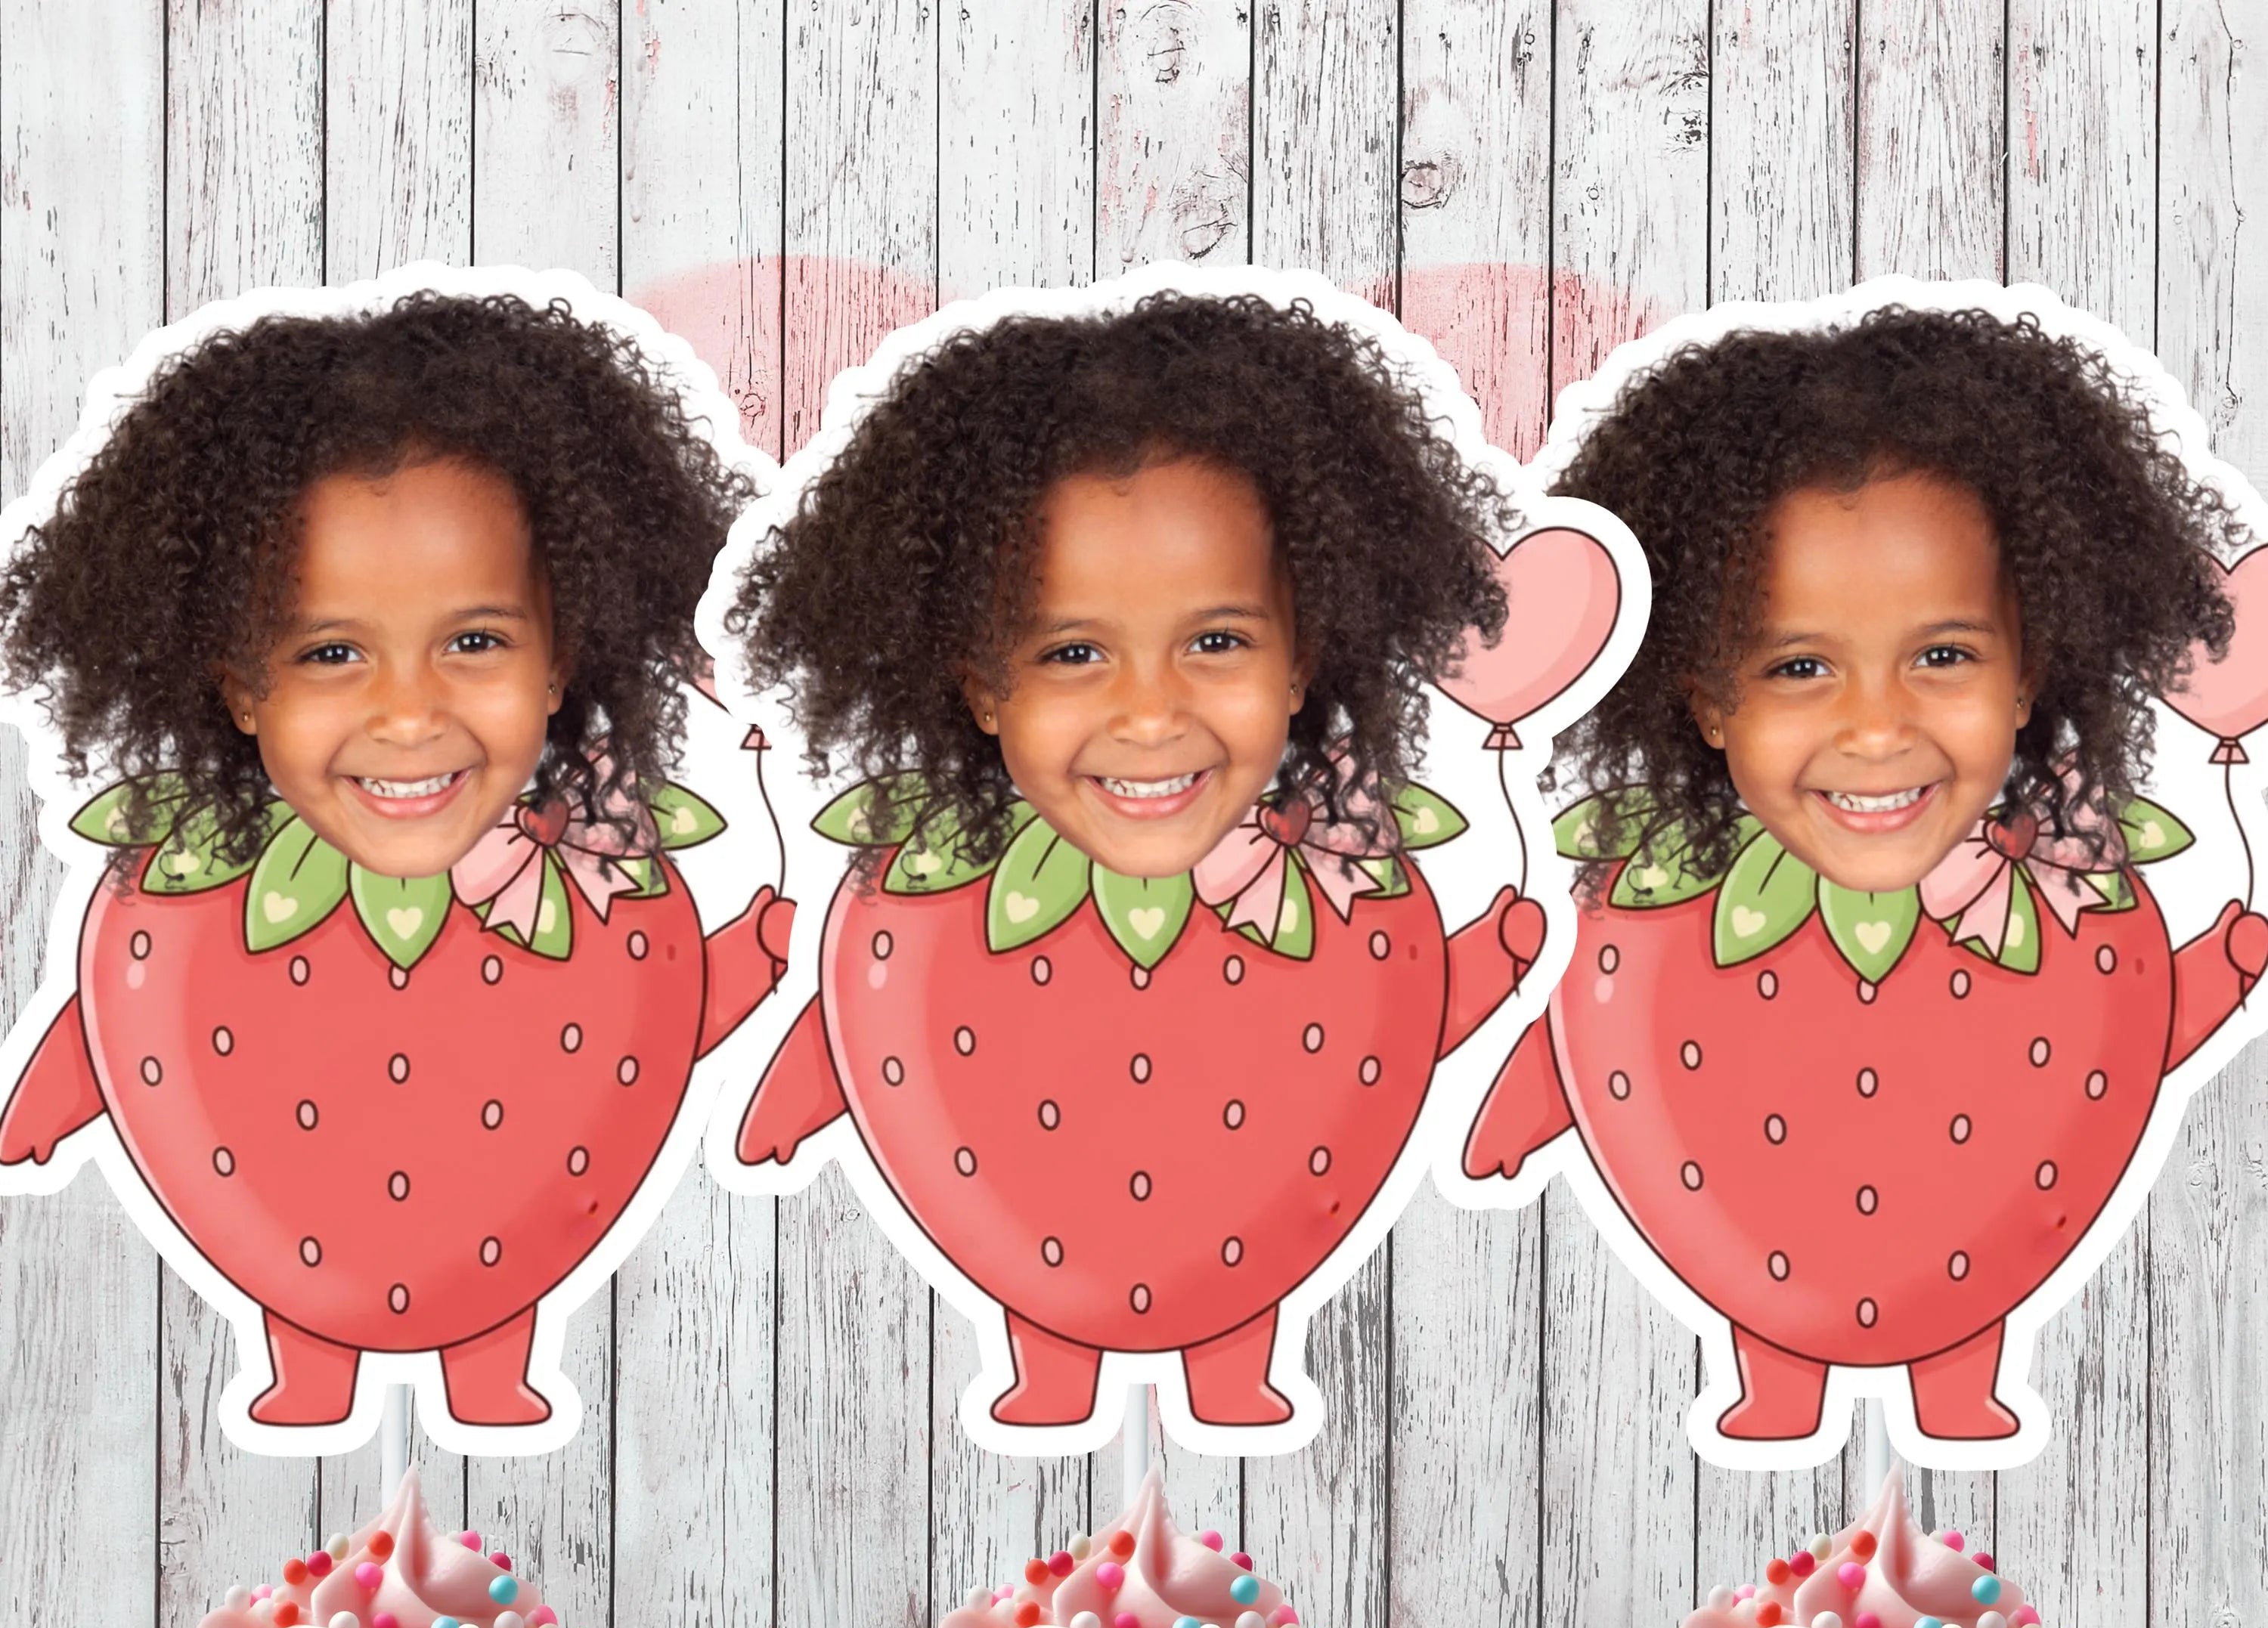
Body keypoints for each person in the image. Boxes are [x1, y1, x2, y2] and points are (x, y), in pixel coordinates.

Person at [726, 288, 1548, 1428]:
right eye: (1072, 652)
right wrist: (795, 1090)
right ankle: (1049, 1365)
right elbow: (878, 1042)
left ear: (1305, 656)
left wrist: (1490, 965)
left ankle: (1234, 1363)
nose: (1151, 715)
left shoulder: (1353, 889)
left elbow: (1387, 1044)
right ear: (974, 680)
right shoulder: (915, 912)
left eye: (1216, 642)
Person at [1466, 302, 2268, 1444]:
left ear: (2031, 670)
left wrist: (2223, 973)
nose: (1878, 730)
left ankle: (1959, 1376)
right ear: (1700, 694)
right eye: (1800, 666)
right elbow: (1601, 1051)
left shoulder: (2076, 901)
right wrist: (1522, 1107)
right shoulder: (1646, 919)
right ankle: (1775, 1376)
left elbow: (2116, 1048)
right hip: (1747, 1278)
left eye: (1943, 656)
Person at [0, 287, 790, 1428]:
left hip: (515, 1264)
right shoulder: (181, 911)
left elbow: (646, 1040)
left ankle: (492, 1364)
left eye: (475, 641)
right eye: (330, 652)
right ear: (232, 680)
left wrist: (753, 958)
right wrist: (51, 1098)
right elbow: (133, 1032)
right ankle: (308, 1367)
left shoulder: (606, 886)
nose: (409, 715)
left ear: (562, 659)